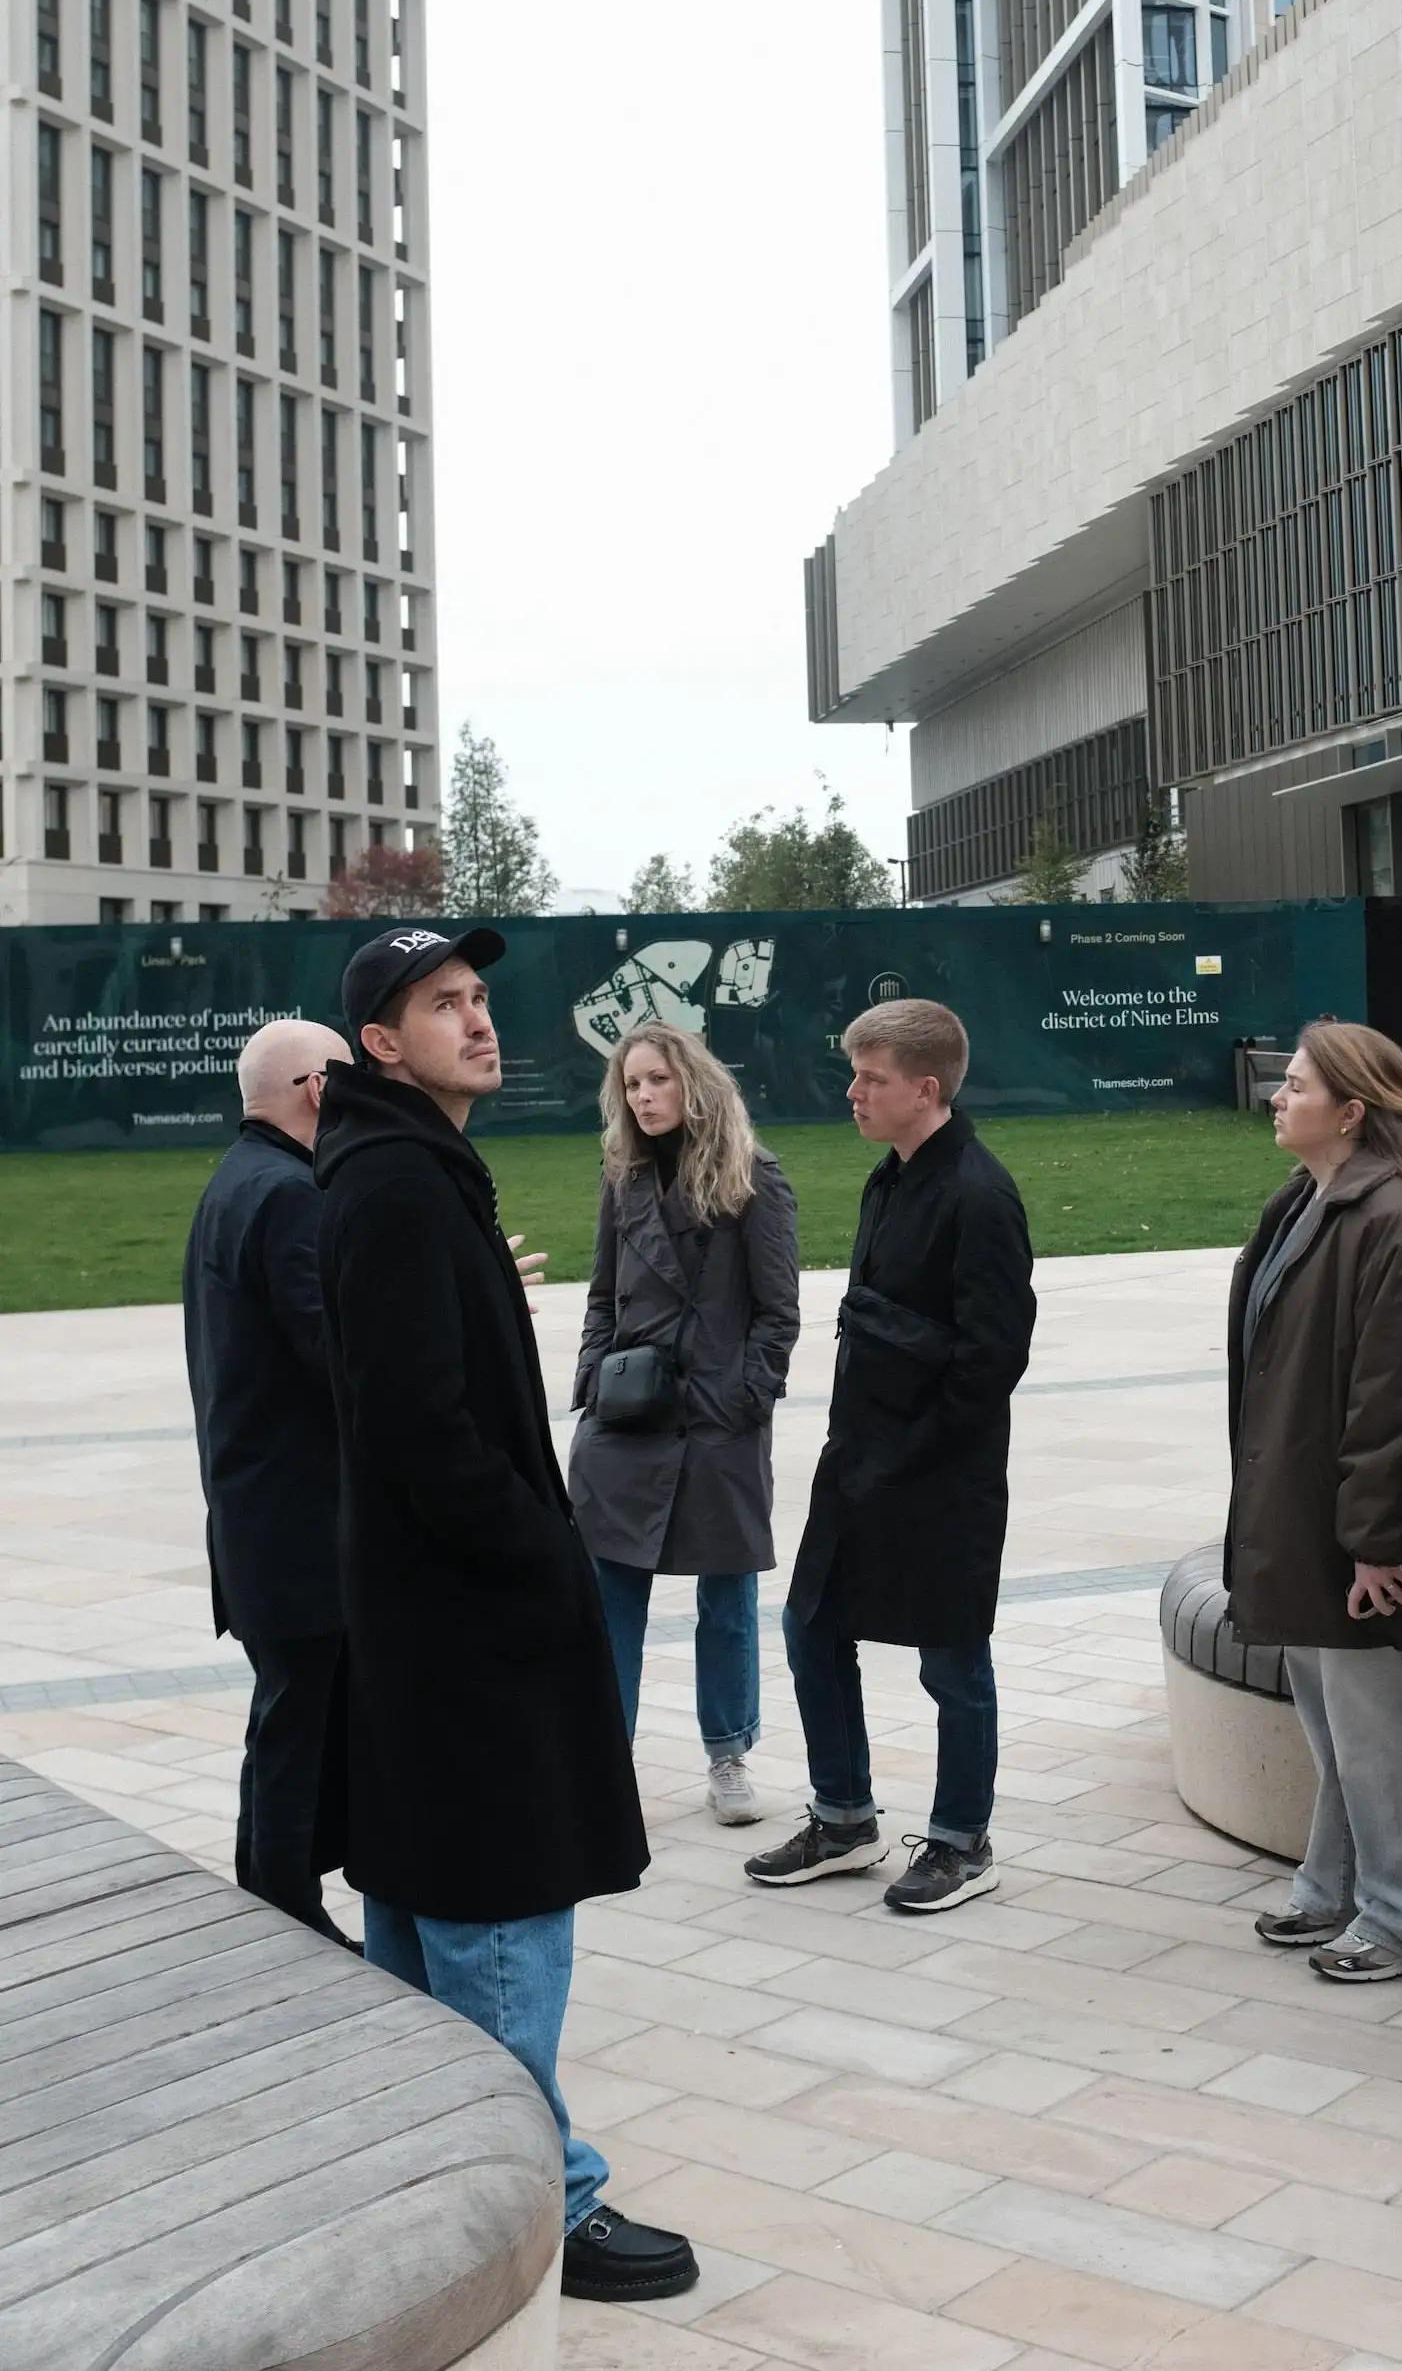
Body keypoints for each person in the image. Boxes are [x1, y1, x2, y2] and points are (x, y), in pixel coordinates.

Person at [314, 923, 698, 2308]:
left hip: (434, 1629)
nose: (477, 1020)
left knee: (426, 1916)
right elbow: (424, 1433)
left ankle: (440, 2188)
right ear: (381, 1044)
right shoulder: (395, 1189)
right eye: (441, 1004)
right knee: (493, 1917)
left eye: (478, 997)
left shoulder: (405, 1170)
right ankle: (536, 2211)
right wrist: (544, 1562)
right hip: (466, 1639)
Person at [746, 998, 1035, 1915]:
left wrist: (910, 1449)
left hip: (941, 1475)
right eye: (854, 1075)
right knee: (811, 1626)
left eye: (871, 1079)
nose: (853, 1092)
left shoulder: (980, 1195)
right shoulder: (890, 1178)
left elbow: (992, 1359)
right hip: (858, 1462)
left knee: (952, 1660)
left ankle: (962, 1841)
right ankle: (843, 1818)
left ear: (927, 1087)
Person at [1228, 1021, 1402, 1983]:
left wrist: (1378, 1543)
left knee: (1391, 1731)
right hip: (1309, 1517)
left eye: (1297, 1086)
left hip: (1369, 1539)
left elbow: (1391, 1408)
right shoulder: (1308, 1202)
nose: (1277, 1097)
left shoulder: (1398, 1228)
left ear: (1351, 1112)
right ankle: (1337, 1885)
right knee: (1341, 1727)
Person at [569, 1021, 800, 1825]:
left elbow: (778, 1312)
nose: (643, 1096)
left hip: (717, 1422)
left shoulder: (753, 1177)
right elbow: (603, 1295)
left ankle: (729, 1755)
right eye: (632, 1084)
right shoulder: (622, 1175)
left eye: (657, 1080)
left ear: (693, 1082)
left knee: (727, 1597)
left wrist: (742, 1397)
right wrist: (595, 1382)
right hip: (627, 1418)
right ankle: (602, 1762)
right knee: (608, 1596)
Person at [182, 1017, 354, 1941]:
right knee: (296, 1730)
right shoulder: (288, 1193)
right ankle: (286, 1914)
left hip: (261, 1519)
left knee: (290, 1721)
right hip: (296, 1528)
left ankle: (275, 1900)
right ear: (319, 1088)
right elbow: (332, 1353)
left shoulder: (236, 1181)